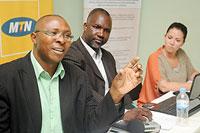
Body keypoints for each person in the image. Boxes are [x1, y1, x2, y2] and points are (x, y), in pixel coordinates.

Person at [0, 14, 143, 133]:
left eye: (67, 36)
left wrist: (116, 93)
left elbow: (93, 125)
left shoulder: (78, 77)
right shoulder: (6, 77)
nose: (61, 40)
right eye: (53, 33)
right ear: (34, 37)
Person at [63, 8, 152, 124]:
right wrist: (122, 114)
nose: (101, 34)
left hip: (112, 118)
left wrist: (133, 109)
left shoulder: (108, 57)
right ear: (85, 26)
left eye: (106, 31)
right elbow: (85, 94)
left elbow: (118, 89)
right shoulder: (71, 54)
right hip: (89, 122)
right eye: (97, 27)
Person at [137, 22, 199, 106]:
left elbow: (193, 74)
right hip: (152, 106)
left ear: (183, 43)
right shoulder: (154, 57)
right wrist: (189, 86)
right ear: (165, 37)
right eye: (169, 38)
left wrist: (196, 81)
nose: (172, 42)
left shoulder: (182, 54)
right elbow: (164, 86)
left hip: (174, 103)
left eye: (177, 40)